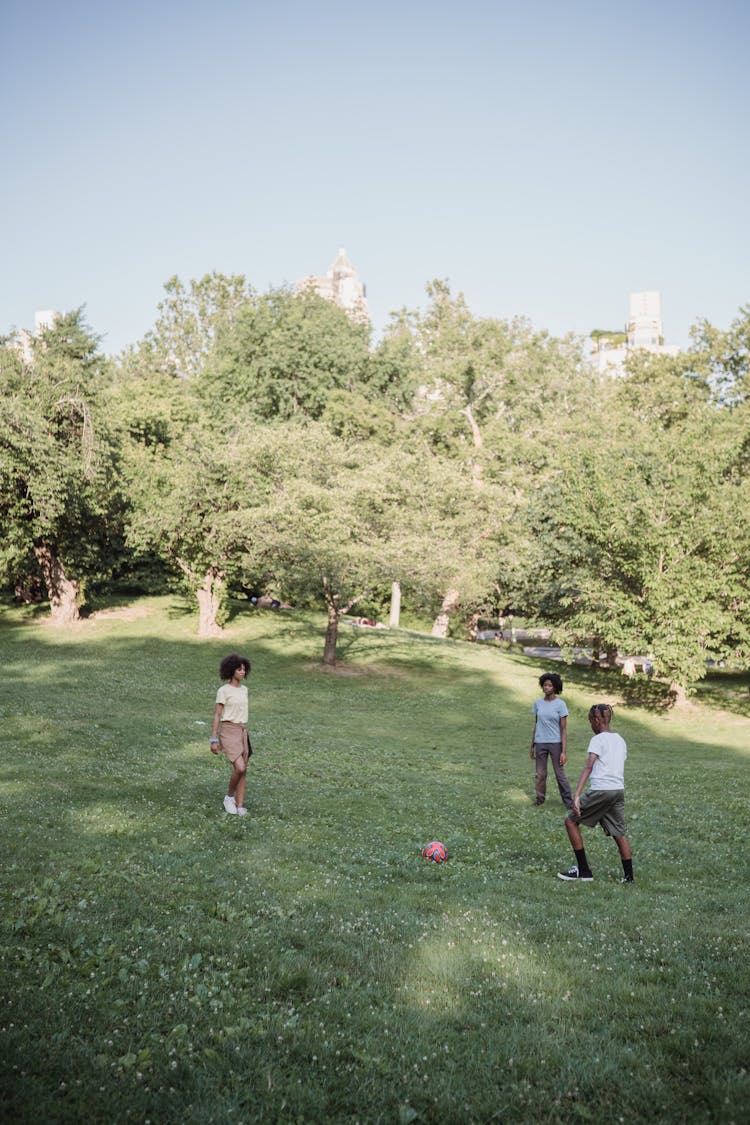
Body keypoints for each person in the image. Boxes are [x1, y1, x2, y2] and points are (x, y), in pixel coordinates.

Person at [558, 703, 634, 883]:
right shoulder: (620, 740)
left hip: (601, 790)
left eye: (591, 721)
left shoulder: (598, 740)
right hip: (617, 791)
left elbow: (588, 766)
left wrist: (576, 795)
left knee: (570, 821)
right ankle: (629, 878)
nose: (591, 725)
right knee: (619, 833)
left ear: (597, 720)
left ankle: (584, 871)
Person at [209, 653, 252, 816]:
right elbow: (217, 715)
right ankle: (229, 797)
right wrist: (213, 739)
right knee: (239, 767)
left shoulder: (245, 690)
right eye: (239, 669)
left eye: (244, 669)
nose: (242, 672)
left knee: (244, 770)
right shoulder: (223, 691)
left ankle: (240, 805)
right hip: (228, 731)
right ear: (231, 670)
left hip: (242, 731)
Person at [530, 672, 573, 809]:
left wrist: (564, 751)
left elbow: (564, 729)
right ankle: (540, 799)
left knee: (559, 774)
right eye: (545, 685)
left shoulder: (561, 705)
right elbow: (537, 724)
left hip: (556, 743)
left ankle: (569, 802)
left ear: (555, 687)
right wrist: (532, 745)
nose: (547, 687)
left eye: (550, 685)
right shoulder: (538, 703)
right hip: (540, 743)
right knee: (540, 774)